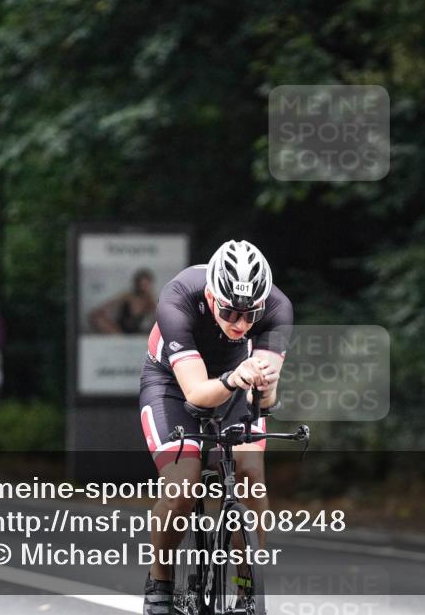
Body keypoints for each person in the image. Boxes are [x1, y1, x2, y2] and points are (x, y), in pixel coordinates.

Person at [138, 240, 292, 615]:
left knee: (251, 475)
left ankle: (245, 589)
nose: (240, 324)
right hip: (173, 383)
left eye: (249, 315)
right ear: (211, 295)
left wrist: (265, 385)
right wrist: (234, 379)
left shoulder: (277, 307)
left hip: (237, 379)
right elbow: (196, 392)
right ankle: (160, 582)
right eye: (229, 311)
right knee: (183, 484)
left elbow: (265, 403)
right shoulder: (177, 298)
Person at [89, 269, 158, 335]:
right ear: (137, 284)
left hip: (137, 331)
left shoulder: (150, 300)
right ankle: (119, 337)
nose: (143, 287)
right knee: (97, 317)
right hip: (119, 330)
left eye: (146, 285)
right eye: (141, 285)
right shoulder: (128, 296)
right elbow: (105, 307)